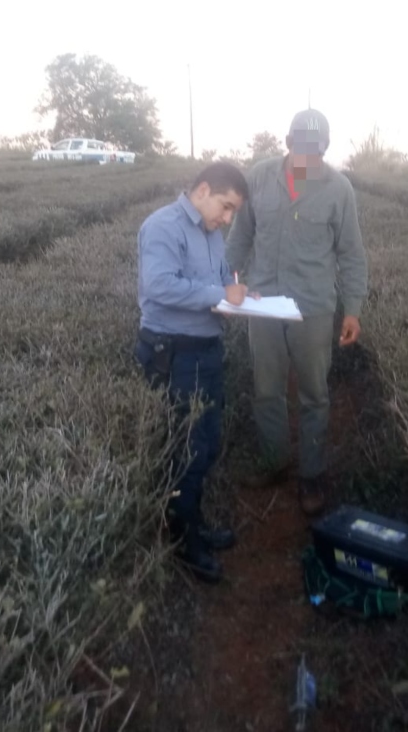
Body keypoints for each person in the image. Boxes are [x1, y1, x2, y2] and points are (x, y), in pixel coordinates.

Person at [225, 108, 368, 516]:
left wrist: (353, 309)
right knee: (267, 391)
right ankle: (275, 462)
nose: (307, 157)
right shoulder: (260, 177)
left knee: (314, 395)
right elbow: (240, 238)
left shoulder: (338, 189)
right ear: (287, 143)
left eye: (316, 150)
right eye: (301, 148)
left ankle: (312, 475)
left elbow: (352, 254)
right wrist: (226, 281)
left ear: (324, 148)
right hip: (264, 305)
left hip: (313, 308)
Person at [134, 161, 256, 583]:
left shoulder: (212, 234)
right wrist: (220, 293)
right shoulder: (163, 227)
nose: (226, 219)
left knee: (204, 443)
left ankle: (194, 523)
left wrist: (241, 295)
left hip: (206, 350)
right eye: (225, 207)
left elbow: (222, 281)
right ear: (202, 190)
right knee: (183, 449)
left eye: (232, 213)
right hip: (174, 354)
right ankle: (183, 543)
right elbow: (159, 285)